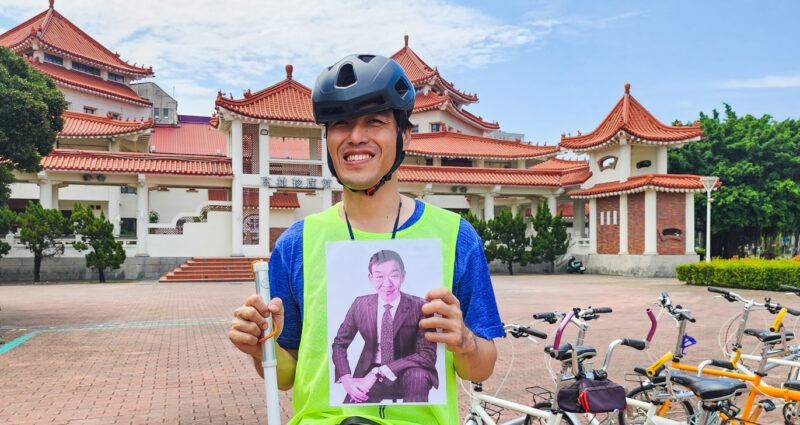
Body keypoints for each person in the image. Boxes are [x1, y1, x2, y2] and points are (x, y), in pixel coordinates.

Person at [228, 54, 503, 425]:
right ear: (328, 139)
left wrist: (464, 341)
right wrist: (260, 346)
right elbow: (287, 375)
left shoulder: (456, 237)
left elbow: (480, 370)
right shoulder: (297, 243)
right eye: (341, 124)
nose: (356, 137)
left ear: (405, 135)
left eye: (374, 121)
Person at [332, 250, 437, 404]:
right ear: (371, 278)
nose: (387, 283)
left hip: (408, 371)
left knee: (418, 377)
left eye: (393, 275)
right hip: (369, 374)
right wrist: (347, 380)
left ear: (403, 276)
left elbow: (427, 355)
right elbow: (339, 344)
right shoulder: (360, 305)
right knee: (350, 413)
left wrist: (381, 371)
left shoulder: (420, 307)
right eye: (379, 276)